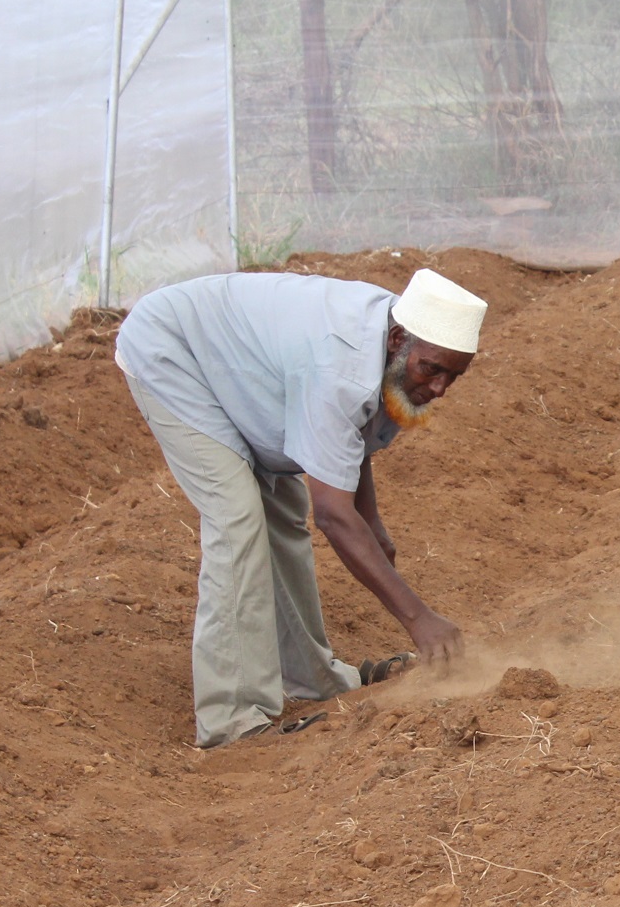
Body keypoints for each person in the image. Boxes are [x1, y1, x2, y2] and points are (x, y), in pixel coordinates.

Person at [115, 266, 485, 748]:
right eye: (431, 370)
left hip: (242, 363)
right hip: (174, 351)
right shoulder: (343, 368)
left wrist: (372, 524)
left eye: (452, 377)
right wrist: (420, 619)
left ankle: (316, 679)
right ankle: (231, 720)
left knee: (281, 513)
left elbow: (355, 435)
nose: (438, 389)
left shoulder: (395, 343)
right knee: (237, 518)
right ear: (397, 340)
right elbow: (332, 513)